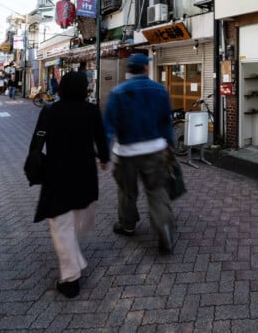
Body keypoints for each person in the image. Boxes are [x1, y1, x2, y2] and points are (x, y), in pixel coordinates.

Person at [29, 71, 109, 298]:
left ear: (61, 87)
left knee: (61, 227)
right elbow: (102, 140)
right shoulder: (92, 111)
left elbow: (37, 141)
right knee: (75, 222)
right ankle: (74, 264)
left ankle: (71, 278)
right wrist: (104, 159)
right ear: (85, 89)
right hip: (85, 174)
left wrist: (35, 165)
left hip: (58, 175)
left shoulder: (49, 111)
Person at [104, 53, 176, 255]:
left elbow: (109, 126)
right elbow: (165, 122)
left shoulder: (118, 92)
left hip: (126, 152)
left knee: (127, 192)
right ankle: (164, 230)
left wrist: (103, 154)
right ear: (145, 69)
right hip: (155, 149)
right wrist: (169, 145)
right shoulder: (160, 90)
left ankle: (127, 225)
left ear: (128, 70)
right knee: (156, 191)